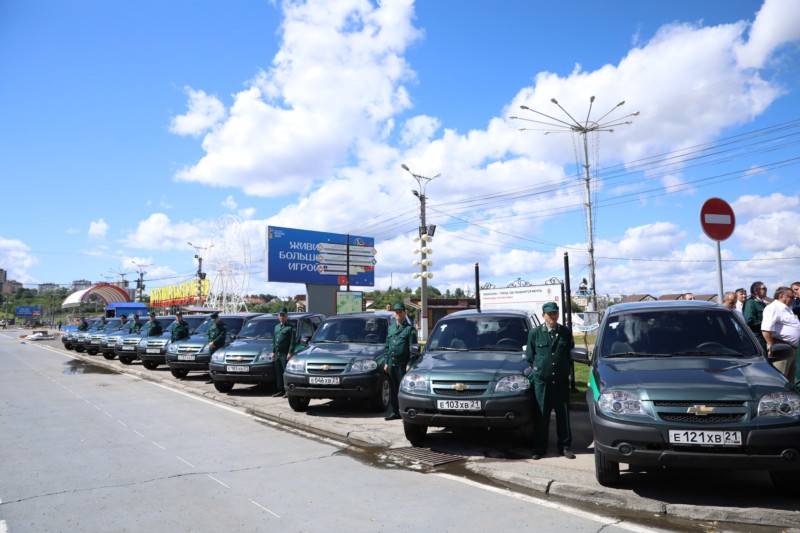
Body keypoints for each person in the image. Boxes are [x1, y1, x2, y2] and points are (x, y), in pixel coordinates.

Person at [526, 301, 575, 460]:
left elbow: (569, 355)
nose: (553, 316)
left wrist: (565, 369)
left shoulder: (565, 332)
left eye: (555, 313)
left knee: (563, 415)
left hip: (560, 381)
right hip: (542, 381)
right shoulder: (535, 333)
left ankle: (565, 446)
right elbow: (530, 356)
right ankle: (540, 448)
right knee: (542, 415)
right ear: (543, 316)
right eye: (549, 314)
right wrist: (540, 369)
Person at [383, 303, 417, 420]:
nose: (398, 314)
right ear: (394, 314)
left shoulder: (409, 329)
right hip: (392, 363)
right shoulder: (391, 328)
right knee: (393, 388)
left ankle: (406, 412)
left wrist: (410, 363)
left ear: (404, 313)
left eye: (400, 312)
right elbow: (387, 347)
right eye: (396, 312)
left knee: (404, 389)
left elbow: (413, 349)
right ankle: (395, 412)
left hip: (403, 364)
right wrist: (386, 362)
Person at [761, 286, 800, 380]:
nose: (793, 299)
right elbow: (766, 329)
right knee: (780, 379)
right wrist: (770, 344)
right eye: (791, 297)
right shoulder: (773, 307)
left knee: (790, 381)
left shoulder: (788, 308)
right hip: (781, 349)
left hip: (792, 349)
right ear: (782, 296)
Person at [271, 307, 296, 398]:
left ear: (286, 316)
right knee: (278, 373)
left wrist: (290, 352)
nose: (281, 317)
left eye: (283, 315)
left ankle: (287, 391)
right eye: (280, 315)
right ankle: (280, 390)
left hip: (285, 354)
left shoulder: (290, 327)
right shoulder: (276, 327)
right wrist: (273, 352)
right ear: (278, 316)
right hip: (277, 354)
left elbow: (292, 342)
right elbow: (274, 341)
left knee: (285, 373)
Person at [743, 281, 768, 352]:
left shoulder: (762, 303)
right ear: (756, 291)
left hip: (763, 336)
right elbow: (749, 320)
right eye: (764, 289)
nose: (766, 290)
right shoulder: (750, 302)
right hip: (757, 338)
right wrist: (765, 324)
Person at [205, 312, 227, 383]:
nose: (214, 321)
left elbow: (221, 336)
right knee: (211, 362)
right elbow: (208, 334)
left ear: (218, 318)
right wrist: (210, 343)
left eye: (215, 319)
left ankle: (220, 378)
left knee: (218, 363)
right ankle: (212, 378)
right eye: (213, 320)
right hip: (212, 347)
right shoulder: (212, 325)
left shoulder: (223, 326)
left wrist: (214, 343)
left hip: (219, 347)